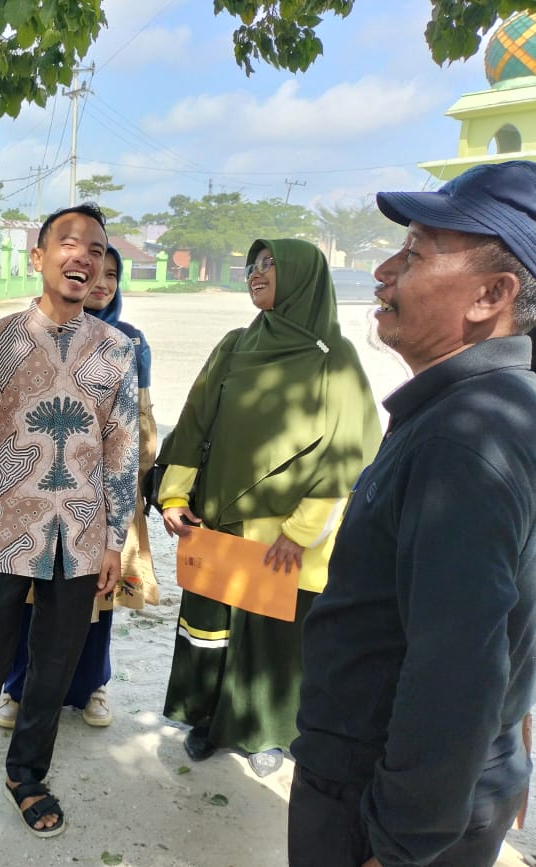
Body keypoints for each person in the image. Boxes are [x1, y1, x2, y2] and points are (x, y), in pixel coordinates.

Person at [290, 160, 536, 867]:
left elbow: (457, 668)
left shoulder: (465, 439)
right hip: (439, 781)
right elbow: (504, 609)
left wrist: (401, 844)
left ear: (492, 294)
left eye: (416, 254)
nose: (383, 273)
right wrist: (507, 737)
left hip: (376, 796)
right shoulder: (491, 408)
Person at [0, 203, 139, 841]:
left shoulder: (117, 351)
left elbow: (122, 450)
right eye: (68, 243)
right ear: (38, 257)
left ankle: (28, 773)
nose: (83, 257)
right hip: (2, 530)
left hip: (81, 532)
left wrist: (115, 542)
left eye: (95, 249)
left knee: (56, 661)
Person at [156, 238, 380, 778]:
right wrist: (174, 495)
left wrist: (301, 533)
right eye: (252, 264)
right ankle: (208, 720)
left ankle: (267, 732)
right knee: (213, 627)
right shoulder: (235, 346)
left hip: (287, 534)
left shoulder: (336, 359)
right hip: (220, 521)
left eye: (270, 265)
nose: (255, 273)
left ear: (302, 278)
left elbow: (349, 452)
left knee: (272, 636)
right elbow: (194, 423)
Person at [0, 245, 158, 730]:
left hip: (104, 496)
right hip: (39, 490)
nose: (103, 282)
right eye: (96, 272)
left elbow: (140, 424)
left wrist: (131, 474)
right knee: (32, 594)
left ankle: (92, 685)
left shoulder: (129, 342)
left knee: (97, 598)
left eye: (113, 275)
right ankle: (18, 687)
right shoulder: (31, 334)